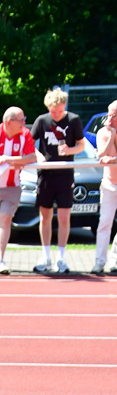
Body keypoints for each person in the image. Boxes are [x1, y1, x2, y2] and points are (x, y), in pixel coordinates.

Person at [31, 89, 85, 274]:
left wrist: (69, 150)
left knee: (63, 216)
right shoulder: (41, 120)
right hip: (46, 174)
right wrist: (38, 155)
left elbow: (81, 145)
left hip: (65, 174)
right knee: (45, 216)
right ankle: (45, 256)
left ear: (65, 106)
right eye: (53, 111)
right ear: (48, 107)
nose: (56, 115)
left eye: (60, 111)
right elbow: (30, 143)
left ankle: (61, 257)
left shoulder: (73, 120)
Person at [0, 107, 37, 274]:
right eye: (21, 120)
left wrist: (10, 160)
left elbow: (32, 157)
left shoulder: (25, 134)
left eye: (24, 119)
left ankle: (0, 259)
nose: (24, 123)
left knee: (5, 220)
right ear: (9, 122)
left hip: (12, 186)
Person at [91, 101, 117, 275]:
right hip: (109, 184)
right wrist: (112, 135)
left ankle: (115, 259)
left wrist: (113, 160)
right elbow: (102, 155)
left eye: (114, 115)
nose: (110, 119)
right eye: (109, 114)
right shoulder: (103, 132)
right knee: (105, 223)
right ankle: (99, 262)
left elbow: (109, 159)